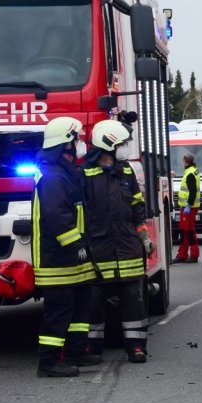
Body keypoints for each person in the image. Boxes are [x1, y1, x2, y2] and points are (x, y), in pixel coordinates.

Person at [32, 116, 97, 378]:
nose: (81, 144)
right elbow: (58, 217)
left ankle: (75, 352)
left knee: (80, 309)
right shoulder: (53, 178)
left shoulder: (66, 173)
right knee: (59, 313)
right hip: (57, 260)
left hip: (74, 259)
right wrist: (76, 246)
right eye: (78, 139)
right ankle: (48, 363)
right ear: (66, 144)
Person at [83, 119, 152, 364]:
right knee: (94, 300)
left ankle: (136, 346)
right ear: (108, 143)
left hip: (127, 246)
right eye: (121, 143)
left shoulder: (126, 171)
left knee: (133, 298)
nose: (125, 147)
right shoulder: (85, 174)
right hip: (98, 247)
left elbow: (137, 206)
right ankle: (92, 348)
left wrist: (143, 235)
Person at [176, 153, 200, 263]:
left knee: (189, 231)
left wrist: (189, 205)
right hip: (186, 206)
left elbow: (193, 191)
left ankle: (194, 255)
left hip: (189, 207)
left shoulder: (190, 173)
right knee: (184, 230)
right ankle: (182, 254)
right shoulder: (192, 170)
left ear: (185, 161)